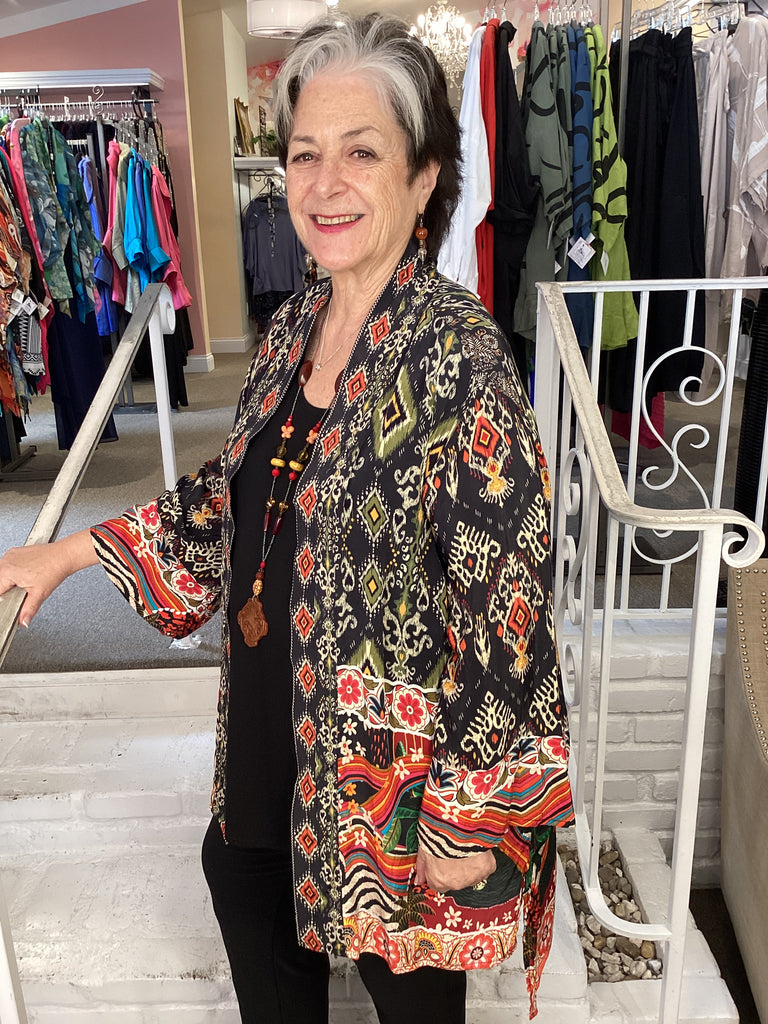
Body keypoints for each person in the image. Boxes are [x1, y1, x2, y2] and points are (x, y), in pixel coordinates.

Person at [0, 13, 573, 1024]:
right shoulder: (292, 327)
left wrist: (473, 808)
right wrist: (73, 551)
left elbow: (509, 607)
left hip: (398, 785)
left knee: (410, 996)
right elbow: (231, 493)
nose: (324, 182)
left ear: (425, 178)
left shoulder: (460, 357)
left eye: (362, 152)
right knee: (242, 884)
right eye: (305, 153)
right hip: (273, 738)